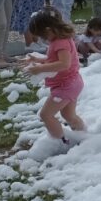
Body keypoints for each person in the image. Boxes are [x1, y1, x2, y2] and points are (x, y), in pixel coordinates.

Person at [23, 11, 86, 148]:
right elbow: (56, 59)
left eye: (43, 36)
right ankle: (83, 136)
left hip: (66, 85)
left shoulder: (60, 43)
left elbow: (64, 64)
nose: (44, 39)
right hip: (72, 83)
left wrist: (40, 69)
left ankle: (61, 143)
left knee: (46, 115)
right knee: (69, 116)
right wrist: (38, 60)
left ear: (48, 30)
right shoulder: (61, 39)